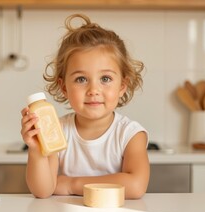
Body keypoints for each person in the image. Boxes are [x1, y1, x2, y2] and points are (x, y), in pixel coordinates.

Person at [20, 13, 149, 199]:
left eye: (105, 79)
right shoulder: (58, 130)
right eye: (81, 79)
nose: (93, 90)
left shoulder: (130, 135)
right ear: (64, 87)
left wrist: (72, 184)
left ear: (122, 86)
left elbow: (136, 186)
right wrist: (35, 150)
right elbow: (43, 190)